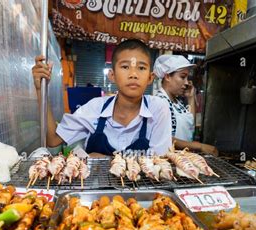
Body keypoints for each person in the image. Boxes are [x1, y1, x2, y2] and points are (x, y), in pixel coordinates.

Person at [32, 39, 172, 157]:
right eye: (125, 67)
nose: (133, 74)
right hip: (95, 188)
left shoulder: (158, 108)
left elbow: (161, 160)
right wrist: (40, 90)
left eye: (141, 68)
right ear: (112, 75)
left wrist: (105, 160)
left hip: (143, 189)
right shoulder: (95, 108)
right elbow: (53, 139)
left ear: (150, 78)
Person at [154, 55, 218, 155]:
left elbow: (189, 124)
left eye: (187, 77)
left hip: (181, 159)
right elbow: (163, 137)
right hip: (167, 159)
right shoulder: (159, 102)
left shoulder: (176, 102)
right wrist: (199, 146)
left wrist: (191, 98)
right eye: (182, 77)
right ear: (167, 76)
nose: (187, 82)